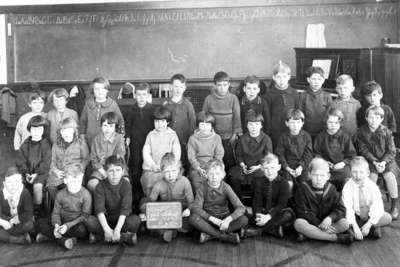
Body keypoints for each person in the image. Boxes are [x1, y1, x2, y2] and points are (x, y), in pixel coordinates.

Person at [294, 158, 354, 244]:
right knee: (298, 223)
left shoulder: (332, 189)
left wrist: (330, 218)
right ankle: (334, 238)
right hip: (311, 222)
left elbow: (341, 209)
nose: (319, 179)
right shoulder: (303, 188)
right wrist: (319, 224)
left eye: (322, 175)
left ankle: (311, 235)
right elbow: (301, 211)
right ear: (309, 175)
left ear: (328, 176)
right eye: (315, 175)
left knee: (345, 223)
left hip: (328, 223)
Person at [189, 159, 248, 244]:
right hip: (209, 220)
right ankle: (224, 236)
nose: (214, 177)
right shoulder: (202, 188)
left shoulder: (226, 187)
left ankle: (210, 235)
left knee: (244, 219)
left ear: (223, 175)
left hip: (224, 220)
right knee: (193, 218)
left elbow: (241, 207)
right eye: (211, 174)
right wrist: (212, 219)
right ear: (206, 174)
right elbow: (196, 208)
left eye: (217, 174)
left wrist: (228, 220)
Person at [86, 155, 140, 245]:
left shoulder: (126, 185)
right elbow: (99, 210)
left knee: (135, 220)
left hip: (121, 220)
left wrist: (117, 230)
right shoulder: (100, 186)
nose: (115, 174)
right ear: (106, 172)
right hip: (106, 219)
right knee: (89, 221)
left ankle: (99, 237)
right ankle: (124, 237)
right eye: (111, 171)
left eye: (118, 170)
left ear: (123, 172)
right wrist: (107, 229)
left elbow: (125, 210)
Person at [355, 105, 398, 219]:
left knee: (390, 177)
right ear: (366, 117)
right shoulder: (361, 132)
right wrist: (374, 162)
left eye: (377, 118)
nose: (374, 120)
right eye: (371, 117)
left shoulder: (386, 132)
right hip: (370, 161)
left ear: (381, 119)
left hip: (386, 161)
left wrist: (383, 162)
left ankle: (394, 206)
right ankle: (370, 205)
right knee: (371, 179)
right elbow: (363, 149)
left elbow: (391, 151)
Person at [35, 164, 92, 250]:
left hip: (75, 224)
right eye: (72, 181)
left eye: (78, 181)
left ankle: (50, 237)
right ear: (65, 180)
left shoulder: (86, 195)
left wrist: (67, 226)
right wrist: (56, 225)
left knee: (82, 230)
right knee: (39, 222)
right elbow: (56, 213)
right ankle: (64, 239)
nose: (76, 185)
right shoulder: (60, 194)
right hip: (62, 221)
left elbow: (85, 216)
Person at [141, 153, 194, 243]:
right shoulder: (159, 184)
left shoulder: (185, 181)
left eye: (174, 171)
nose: (171, 175)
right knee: (143, 205)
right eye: (167, 172)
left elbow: (192, 202)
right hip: (165, 214)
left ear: (179, 170)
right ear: (162, 172)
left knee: (192, 220)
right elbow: (150, 203)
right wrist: (148, 212)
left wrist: (188, 210)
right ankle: (170, 231)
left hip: (181, 214)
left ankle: (169, 230)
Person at [241, 153, 295, 238]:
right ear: (262, 168)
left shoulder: (284, 183)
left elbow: (282, 204)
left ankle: (258, 231)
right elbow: (257, 201)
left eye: (272, 168)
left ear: (278, 167)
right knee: (243, 212)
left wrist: (268, 217)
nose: (269, 171)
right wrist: (258, 215)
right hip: (263, 211)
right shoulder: (259, 181)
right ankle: (273, 229)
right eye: (266, 168)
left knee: (289, 214)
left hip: (276, 212)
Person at [342, 156, 392, 240]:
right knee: (344, 220)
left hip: (369, 216)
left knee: (387, 217)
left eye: (361, 172)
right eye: (354, 172)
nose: (357, 176)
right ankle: (359, 229)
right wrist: (355, 226)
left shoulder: (372, 186)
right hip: (356, 216)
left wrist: (369, 224)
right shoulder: (347, 187)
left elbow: (377, 206)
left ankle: (370, 227)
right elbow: (348, 208)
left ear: (368, 173)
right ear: (350, 172)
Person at [202, 71, 242, 171]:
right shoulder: (209, 99)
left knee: (229, 163)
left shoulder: (233, 99)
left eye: (225, 85)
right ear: (214, 85)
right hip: (213, 137)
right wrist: (210, 134)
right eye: (219, 85)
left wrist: (234, 135)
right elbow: (204, 118)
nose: (222, 88)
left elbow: (237, 118)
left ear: (229, 85)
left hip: (229, 138)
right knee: (215, 162)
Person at [229, 110, 272, 201]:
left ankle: (256, 203)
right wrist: (242, 165)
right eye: (251, 124)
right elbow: (239, 154)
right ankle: (239, 202)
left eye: (257, 124)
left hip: (259, 167)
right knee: (233, 176)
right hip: (244, 166)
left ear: (261, 125)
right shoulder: (242, 138)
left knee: (260, 177)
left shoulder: (266, 139)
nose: (254, 127)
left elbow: (268, 157)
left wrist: (258, 166)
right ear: (247, 125)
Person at [48, 117, 89, 207]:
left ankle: (72, 208)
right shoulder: (56, 144)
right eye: (63, 130)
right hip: (60, 173)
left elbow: (86, 159)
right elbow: (52, 161)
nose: (66, 133)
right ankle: (60, 207)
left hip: (75, 172)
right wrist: (56, 171)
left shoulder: (81, 142)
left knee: (73, 185)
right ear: (60, 132)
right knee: (51, 186)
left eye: (69, 130)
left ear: (74, 131)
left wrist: (80, 171)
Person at [140, 106, 181, 196]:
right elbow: (146, 152)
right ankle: (151, 201)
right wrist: (152, 165)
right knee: (149, 178)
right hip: (153, 168)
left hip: (168, 167)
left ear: (167, 122)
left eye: (162, 121)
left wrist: (170, 166)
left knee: (172, 179)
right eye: (157, 121)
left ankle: (169, 201)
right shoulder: (151, 135)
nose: (159, 124)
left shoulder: (172, 135)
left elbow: (177, 153)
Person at [15, 115, 51, 217]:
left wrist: (36, 173)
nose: (36, 132)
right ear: (29, 130)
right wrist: (26, 172)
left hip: (41, 172)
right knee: (19, 183)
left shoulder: (46, 144)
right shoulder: (25, 144)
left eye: (39, 129)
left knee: (37, 186)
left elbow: (46, 162)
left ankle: (37, 210)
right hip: (26, 172)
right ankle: (21, 207)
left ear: (43, 130)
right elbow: (20, 160)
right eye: (33, 129)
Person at [313, 108, 356, 191]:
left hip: (341, 168)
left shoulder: (344, 136)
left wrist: (343, 163)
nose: (333, 125)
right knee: (321, 181)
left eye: (336, 123)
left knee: (346, 181)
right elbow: (316, 153)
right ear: (326, 122)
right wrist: (324, 162)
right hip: (325, 167)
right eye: (330, 122)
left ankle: (344, 201)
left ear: (340, 123)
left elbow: (351, 155)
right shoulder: (321, 136)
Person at [163, 74, 196, 172]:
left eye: (181, 87)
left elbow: (192, 123)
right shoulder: (166, 104)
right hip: (169, 141)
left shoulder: (188, 105)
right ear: (171, 87)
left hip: (184, 140)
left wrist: (190, 140)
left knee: (184, 164)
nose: (178, 89)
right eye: (176, 86)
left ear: (185, 88)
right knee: (170, 164)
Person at [126, 82, 154, 195]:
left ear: (148, 95)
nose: (141, 97)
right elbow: (127, 126)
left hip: (149, 144)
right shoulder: (130, 110)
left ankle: (148, 196)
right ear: (135, 95)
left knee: (148, 169)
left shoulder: (153, 110)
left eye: (144, 94)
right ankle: (136, 200)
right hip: (135, 145)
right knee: (136, 170)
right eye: (139, 94)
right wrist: (127, 137)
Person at [87, 112, 126, 193]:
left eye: (111, 126)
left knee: (126, 182)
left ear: (115, 127)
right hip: (100, 169)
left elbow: (119, 157)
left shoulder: (119, 139)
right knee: (92, 184)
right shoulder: (96, 139)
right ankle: (100, 202)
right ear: (101, 126)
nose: (108, 129)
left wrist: (111, 173)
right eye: (105, 125)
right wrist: (103, 172)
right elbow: (94, 159)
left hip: (116, 168)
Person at [275, 109, 313, 192]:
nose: (295, 125)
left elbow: (308, 154)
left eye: (298, 122)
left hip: (302, 167)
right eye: (292, 122)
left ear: (302, 123)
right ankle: (288, 202)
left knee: (305, 184)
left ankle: (301, 202)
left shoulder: (306, 136)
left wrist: (300, 167)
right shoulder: (283, 137)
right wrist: (287, 168)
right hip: (287, 167)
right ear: (287, 123)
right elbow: (280, 154)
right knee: (288, 184)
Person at [79, 77, 125, 146]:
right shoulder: (88, 104)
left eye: (103, 88)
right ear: (93, 90)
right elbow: (83, 122)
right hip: (90, 141)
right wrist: (82, 138)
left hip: (108, 143)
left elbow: (120, 122)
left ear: (107, 90)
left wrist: (120, 137)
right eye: (97, 89)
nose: (100, 91)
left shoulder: (112, 105)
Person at [264, 61, 300, 146]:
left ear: (289, 77)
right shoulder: (269, 94)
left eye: (284, 76)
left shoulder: (294, 93)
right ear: (274, 77)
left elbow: (297, 111)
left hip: (290, 128)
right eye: (278, 77)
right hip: (275, 129)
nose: (281, 80)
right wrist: (269, 131)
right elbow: (267, 115)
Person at [187, 111, 224, 191]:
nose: (205, 128)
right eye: (202, 125)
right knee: (196, 180)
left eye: (207, 125)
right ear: (198, 126)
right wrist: (198, 168)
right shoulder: (192, 138)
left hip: (213, 165)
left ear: (212, 126)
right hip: (198, 167)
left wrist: (214, 167)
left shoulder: (216, 138)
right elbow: (191, 157)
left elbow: (219, 155)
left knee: (217, 179)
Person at [0, 166, 34, 244]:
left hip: (20, 221)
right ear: (4, 184)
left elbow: (28, 213)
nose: (13, 185)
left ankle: (12, 236)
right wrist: (4, 222)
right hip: (6, 221)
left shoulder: (25, 193)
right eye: (9, 182)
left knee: (29, 224)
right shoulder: (1, 194)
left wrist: (14, 220)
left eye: (16, 181)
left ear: (21, 182)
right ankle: (18, 239)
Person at [299, 66, 332, 138]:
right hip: (307, 130)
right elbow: (300, 115)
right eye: (313, 79)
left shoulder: (327, 96)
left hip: (322, 131)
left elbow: (329, 115)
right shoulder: (303, 96)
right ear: (308, 80)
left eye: (319, 79)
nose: (316, 82)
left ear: (323, 80)